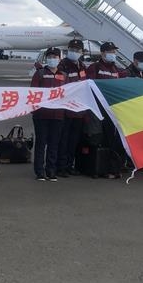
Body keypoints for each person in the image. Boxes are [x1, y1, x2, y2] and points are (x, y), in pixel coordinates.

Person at [86, 41, 126, 179]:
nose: (113, 54)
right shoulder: (95, 67)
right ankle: (96, 168)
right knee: (97, 138)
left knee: (112, 139)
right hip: (98, 109)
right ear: (103, 53)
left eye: (114, 52)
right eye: (110, 52)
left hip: (112, 109)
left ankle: (111, 168)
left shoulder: (116, 69)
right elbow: (89, 85)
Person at [29, 47, 66, 182]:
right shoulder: (40, 73)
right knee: (41, 143)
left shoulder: (64, 75)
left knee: (54, 144)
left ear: (59, 59)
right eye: (50, 57)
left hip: (58, 115)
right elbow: (33, 92)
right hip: (41, 115)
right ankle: (39, 171)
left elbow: (68, 92)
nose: (52, 59)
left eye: (55, 57)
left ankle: (51, 171)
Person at [56, 39, 87, 177]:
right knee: (63, 139)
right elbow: (60, 84)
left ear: (82, 52)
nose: (74, 52)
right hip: (66, 109)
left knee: (74, 140)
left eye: (77, 50)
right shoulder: (62, 66)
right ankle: (61, 166)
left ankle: (69, 165)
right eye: (71, 49)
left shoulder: (82, 66)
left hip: (79, 109)